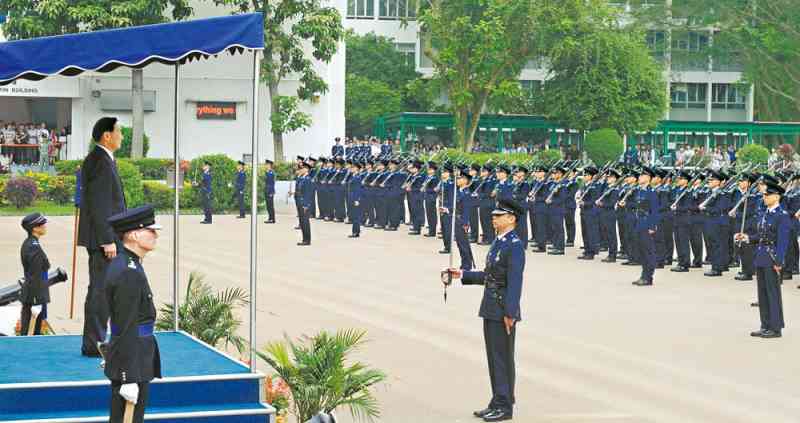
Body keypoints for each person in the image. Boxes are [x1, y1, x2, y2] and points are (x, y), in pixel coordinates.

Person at [443, 199, 525, 422]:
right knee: (493, 357)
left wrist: (510, 313)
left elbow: (515, 283)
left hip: (502, 308)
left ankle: (505, 405)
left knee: (503, 358)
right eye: (494, 215)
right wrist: (462, 275)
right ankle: (498, 399)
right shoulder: (499, 242)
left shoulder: (515, 245)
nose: (494, 218)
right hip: (490, 305)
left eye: (499, 216)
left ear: (511, 219)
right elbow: (490, 275)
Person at [103, 205, 162, 423]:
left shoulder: (129, 264)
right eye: (151, 230)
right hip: (132, 358)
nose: (155, 235)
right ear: (135, 235)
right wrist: (128, 376)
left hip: (134, 353)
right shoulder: (129, 271)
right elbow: (126, 322)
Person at [78, 117, 127, 357]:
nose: (122, 136)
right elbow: (100, 204)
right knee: (100, 290)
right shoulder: (99, 161)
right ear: (107, 135)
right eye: (119, 132)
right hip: (103, 240)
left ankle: (96, 340)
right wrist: (108, 239)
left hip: (104, 237)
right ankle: (94, 343)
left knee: (101, 289)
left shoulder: (103, 159)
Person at [735, 181, 789, 338]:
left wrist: (779, 262)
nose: (764, 197)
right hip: (761, 256)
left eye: (767, 195)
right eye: (764, 195)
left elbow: (783, 242)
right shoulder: (766, 213)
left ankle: (776, 327)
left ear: (776, 196)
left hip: (772, 258)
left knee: (772, 293)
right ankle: (765, 324)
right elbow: (761, 236)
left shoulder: (782, 216)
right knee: (763, 293)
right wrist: (747, 238)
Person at [19, 213, 51, 335]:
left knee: (30, 333)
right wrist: (36, 301)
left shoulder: (32, 244)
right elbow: (35, 275)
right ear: (35, 228)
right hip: (34, 296)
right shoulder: (33, 247)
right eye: (43, 224)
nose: (45, 226)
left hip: (33, 294)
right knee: (31, 334)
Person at [296, 161, 313, 245]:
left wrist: (306, 205)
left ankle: (307, 240)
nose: (301, 170)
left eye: (302, 168)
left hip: (304, 204)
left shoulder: (308, 179)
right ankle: (304, 239)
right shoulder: (302, 178)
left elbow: (308, 193)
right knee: (302, 221)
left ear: (306, 169)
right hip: (300, 202)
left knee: (305, 222)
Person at [348, 161, 365, 238]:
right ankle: (355, 230)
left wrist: (357, 200)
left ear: (356, 169)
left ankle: (356, 232)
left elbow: (359, 190)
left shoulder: (358, 177)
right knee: (354, 215)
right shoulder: (353, 176)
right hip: (352, 198)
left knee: (356, 215)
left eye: (353, 167)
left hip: (355, 198)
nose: (351, 168)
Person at [263, 159, 276, 223]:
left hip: (270, 191)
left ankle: (272, 219)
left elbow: (272, 183)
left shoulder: (271, 173)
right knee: (268, 206)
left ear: (270, 165)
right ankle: (270, 218)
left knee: (271, 206)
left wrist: (272, 192)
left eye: (267, 164)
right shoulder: (267, 172)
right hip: (266, 190)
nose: (266, 165)